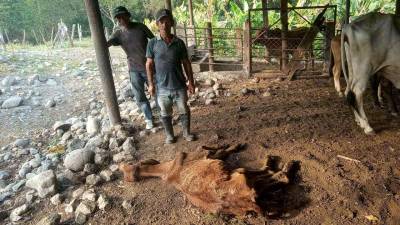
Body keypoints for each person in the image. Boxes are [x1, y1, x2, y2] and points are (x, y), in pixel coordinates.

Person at [145, 9, 196, 144]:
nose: (165, 24)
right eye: (162, 21)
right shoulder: (152, 43)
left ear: (172, 23)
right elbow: (149, 64)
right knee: (165, 112)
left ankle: (186, 133)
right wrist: (151, 85)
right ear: (157, 24)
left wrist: (191, 82)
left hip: (179, 85)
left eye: (167, 21)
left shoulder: (179, 43)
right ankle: (169, 135)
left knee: (184, 110)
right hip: (162, 87)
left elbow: (186, 63)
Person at [107, 6, 155, 129]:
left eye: (123, 16)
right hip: (134, 69)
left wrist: (155, 56)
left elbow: (154, 40)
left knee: (157, 91)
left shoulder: (140, 27)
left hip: (149, 66)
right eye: (118, 17)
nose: (121, 19)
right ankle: (149, 118)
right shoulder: (118, 33)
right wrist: (104, 42)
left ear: (128, 15)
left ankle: (165, 114)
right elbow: (109, 43)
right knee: (139, 96)